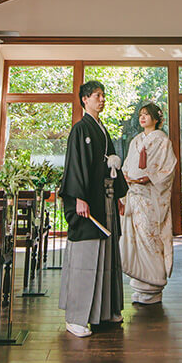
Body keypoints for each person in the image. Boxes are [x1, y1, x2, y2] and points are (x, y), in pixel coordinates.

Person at [58, 80, 128, 337]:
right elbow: (75, 165)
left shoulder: (102, 129)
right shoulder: (80, 129)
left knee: (107, 255)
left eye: (103, 95)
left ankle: (105, 312)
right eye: (97, 95)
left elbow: (111, 166)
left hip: (106, 199)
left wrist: (118, 196)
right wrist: (77, 197)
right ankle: (76, 317)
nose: (102, 99)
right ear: (84, 100)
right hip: (88, 200)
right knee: (86, 257)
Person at [119, 103, 178, 305]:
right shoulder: (136, 140)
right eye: (140, 115)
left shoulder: (163, 141)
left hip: (151, 197)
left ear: (156, 118)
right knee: (135, 238)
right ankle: (140, 282)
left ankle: (153, 285)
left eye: (146, 115)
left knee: (150, 238)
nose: (142, 118)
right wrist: (126, 177)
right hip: (134, 195)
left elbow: (169, 169)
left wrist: (150, 177)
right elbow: (128, 164)